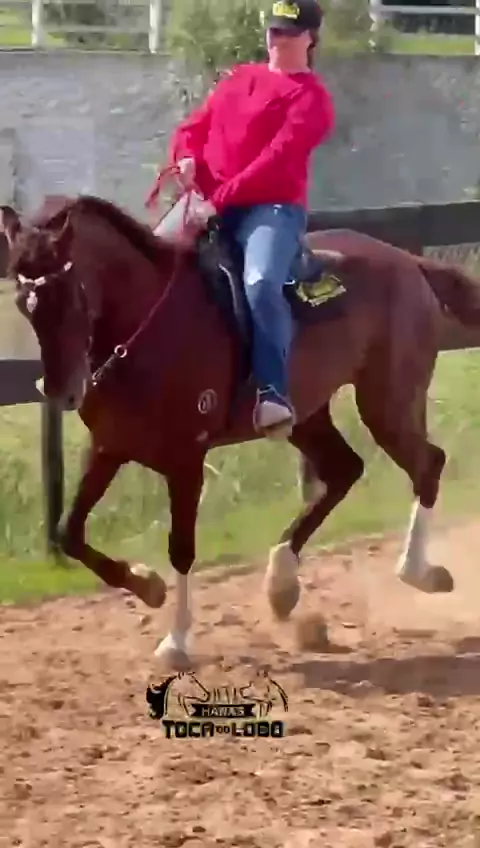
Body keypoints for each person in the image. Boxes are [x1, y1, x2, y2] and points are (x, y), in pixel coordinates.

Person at [164, 0, 335, 439]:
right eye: (274, 31)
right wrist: (185, 157)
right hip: (209, 201)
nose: (277, 40)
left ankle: (273, 393)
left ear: (310, 38)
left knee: (260, 283)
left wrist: (217, 202)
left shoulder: (312, 100)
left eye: (288, 33)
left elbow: (274, 163)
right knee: (148, 260)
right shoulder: (239, 78)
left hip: (271, 209)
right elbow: (194, 127)